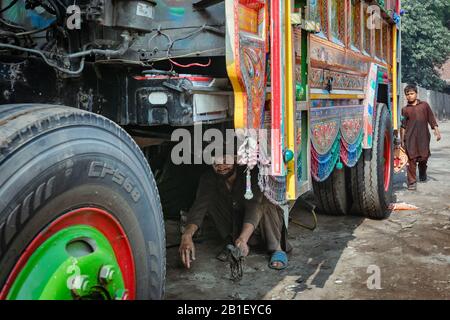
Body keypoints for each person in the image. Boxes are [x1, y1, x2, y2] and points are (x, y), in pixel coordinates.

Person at [179, 154, 291, 270]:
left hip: (261, 226)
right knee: (209, 199)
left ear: (236, 159)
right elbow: (199, 208)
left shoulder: (251, 173)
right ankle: (233, 242)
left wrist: (243, 239)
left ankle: (277, 249)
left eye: (225, 160)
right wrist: (187, 235)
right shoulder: (209, 177)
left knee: (265, 201)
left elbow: (254, 207)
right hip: (236, 227)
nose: (221, 166)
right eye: (216, 162)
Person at [400, 84, 442, 190]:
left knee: (424, 157)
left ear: (416, 93)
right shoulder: (405, 110)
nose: (410, 96)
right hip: (410, 138)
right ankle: (412, 182)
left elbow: (431, 118)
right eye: (407, 94)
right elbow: (403, 126)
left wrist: (436, 130)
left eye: (412, 93)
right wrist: (402, 140)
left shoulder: (424, 105)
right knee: (411, 159)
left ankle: (422, 172)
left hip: (423, 137)